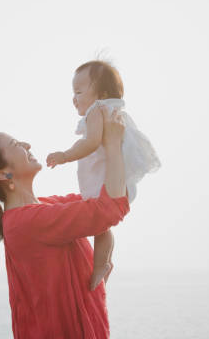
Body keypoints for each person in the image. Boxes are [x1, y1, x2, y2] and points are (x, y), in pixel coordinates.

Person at [0, 106, 129, 338]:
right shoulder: (26, 222)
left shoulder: (44, 208)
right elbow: (109, 209)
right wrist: (111, 144)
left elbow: (103, 197)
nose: (27, 145)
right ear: (2, 174)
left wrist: (99, 138)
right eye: (16, 145)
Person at [46, 60, 161, 290]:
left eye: (79, 92)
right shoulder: (115, 111)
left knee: (101, 224)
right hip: (121, 183)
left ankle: (101, 264)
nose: (74, 98)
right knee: (103, 226)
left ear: (102, 94)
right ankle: (103, 264)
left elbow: (90, 142)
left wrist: (65, 155)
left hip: (105, 183)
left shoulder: (96, 111)